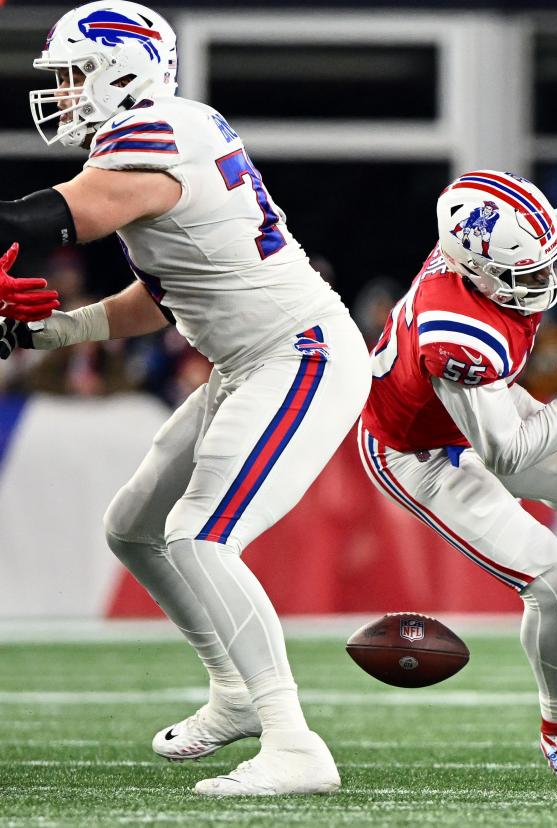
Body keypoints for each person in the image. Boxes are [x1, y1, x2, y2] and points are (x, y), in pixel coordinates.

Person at [0, 1, 370, 795]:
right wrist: (51, 335)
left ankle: (293, 742)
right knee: (134, 529)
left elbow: (65, 216)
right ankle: (234, 693)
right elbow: (168, 293)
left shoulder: (160, 131)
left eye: (73, 74)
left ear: (122, 71)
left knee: (200, 535)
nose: (62, 91)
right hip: (252, 359)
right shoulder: (163, 135)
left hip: (300, 353)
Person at [359, 170, 557, 784]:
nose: (547, 282)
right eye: (529, 275)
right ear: (477, 273)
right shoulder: (457, 332)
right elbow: (508, 453)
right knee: (553, 580)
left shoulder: (497, 242)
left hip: (488, 402)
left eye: (547, 264)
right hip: (423, 452)